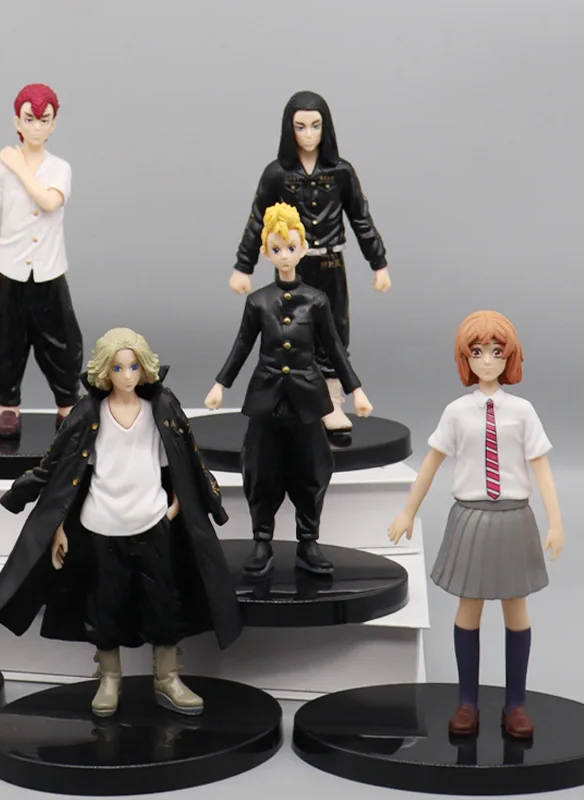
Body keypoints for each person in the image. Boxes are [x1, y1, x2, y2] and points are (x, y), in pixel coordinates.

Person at [0, 328, 242, 717]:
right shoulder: (88, 413)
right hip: (100, 526)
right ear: (104, 371)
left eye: (134, 366)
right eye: (118, 368)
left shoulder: (162, 407)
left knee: (163, 603)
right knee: (105, 606)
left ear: (145, 367)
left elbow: (186, 458)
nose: (127, 375)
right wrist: (57, 525)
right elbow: (59, 467)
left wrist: (177, 507)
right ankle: (109, 678)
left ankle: (168, 677)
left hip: (152, 523)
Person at [387, 311, 564, 739]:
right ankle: (467, 702)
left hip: (514, 518)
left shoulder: (522, 411)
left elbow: (542, 468)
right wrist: (408, 511)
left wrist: (556, 522)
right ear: (465, 358)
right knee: (469, 607)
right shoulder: (456, 412)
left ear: (510, 357)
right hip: (469, 518)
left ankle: (516, 704)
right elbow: (430, 463)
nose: (487, 360)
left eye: (496, 352)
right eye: (478, 352)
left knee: (516, 609)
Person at [206, 203, 373, 577]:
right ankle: (261, 540)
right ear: (266, 252)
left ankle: (308, 541)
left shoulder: (316, 300)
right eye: (277, 248)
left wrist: (356, 390)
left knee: (312, 468)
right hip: (266, 400)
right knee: (259, 469)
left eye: (291, 247)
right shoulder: (258, 301)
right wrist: (221, 384)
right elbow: (242, 346)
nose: (284, 255)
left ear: (303, 249)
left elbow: (333, 348)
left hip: (307, 401)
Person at [229, 91, 390, 435]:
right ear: (289, 129)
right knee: (289, 329)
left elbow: (360, 218)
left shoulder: (341, 171)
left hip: (331, 263)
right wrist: (243, 266)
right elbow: (257, 220)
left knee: (334, 331)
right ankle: (289, 399)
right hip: (292, 264)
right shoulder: (276, 173)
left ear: (326, 127)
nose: (308, 134)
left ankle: (332, 401)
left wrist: (379, 263)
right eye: (300, 126)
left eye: (316, 126)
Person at [0, 82, 83, 437]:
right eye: (29, 119)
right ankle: (8, 406)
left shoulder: (59, 168)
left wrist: (19, 166)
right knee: (3, 340)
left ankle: (67, 403)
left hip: (50, 271)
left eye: (44, 120)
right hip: (11, 270)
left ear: (54, 124)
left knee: (61, 340)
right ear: (17, 122)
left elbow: (49, 202)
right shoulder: (0, 170)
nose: (36, 127)